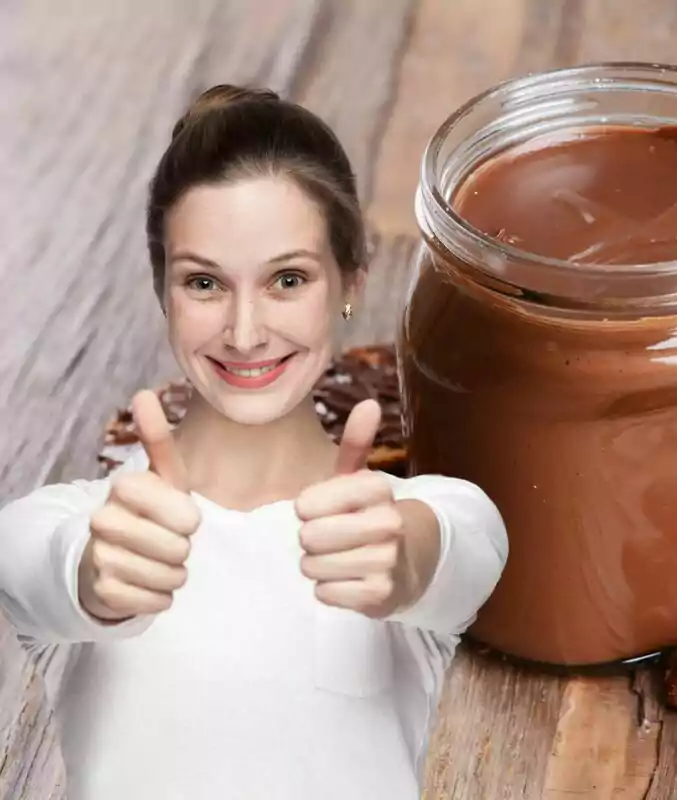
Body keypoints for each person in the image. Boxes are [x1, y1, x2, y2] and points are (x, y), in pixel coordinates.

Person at [0, 84, 508, 800]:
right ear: (162, 292)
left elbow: (462, 552)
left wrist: (404, 558)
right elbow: (47, 567)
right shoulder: (61, 525)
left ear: (351, 281)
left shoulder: (422, 516)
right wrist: (95, 577)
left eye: (288, 279)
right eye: (205, 282)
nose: (244, 333)